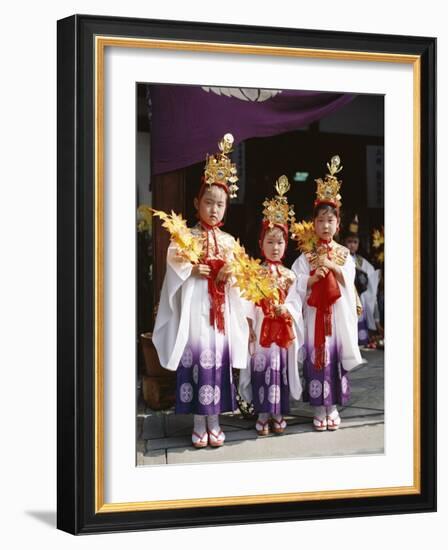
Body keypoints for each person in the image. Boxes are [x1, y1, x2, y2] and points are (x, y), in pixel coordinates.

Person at [152, 134, 249, 448]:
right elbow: (173, 265)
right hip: (196, 309)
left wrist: (231, 272)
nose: (214, 209)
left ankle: (215, 420)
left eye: (220, 204)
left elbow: (242, 277)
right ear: (197, 203)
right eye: (208, 202)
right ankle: (197, 421)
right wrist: (191, 268)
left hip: (219, 313)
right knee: (196, 358)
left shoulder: (231, 241)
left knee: (217, 359)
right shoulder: (186, 237)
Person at [291, 156, 363, 431]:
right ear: (314, 223)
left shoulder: (344, 254)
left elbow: (349, 279)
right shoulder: (306, 256)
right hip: (314, 318)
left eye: (330, 220)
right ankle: (318, 409)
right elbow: (295, 282)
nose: (325, 225)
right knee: (317, 359)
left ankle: (332, 407)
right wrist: (310, 280)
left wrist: (332, 265)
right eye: (320, 220)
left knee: (333, 361)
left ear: (338, 223)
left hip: (335, 318)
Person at [239, 176, 303, 436]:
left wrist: (286, 309)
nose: (275, 247)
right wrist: (251, 324)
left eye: (280, 243)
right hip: (263, 329)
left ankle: (278, 413)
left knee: (280, 371)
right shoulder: (254, 272)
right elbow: (246, 303)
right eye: (270, 242)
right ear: (261, 244)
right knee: (262, 369)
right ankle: (263, 413)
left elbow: (296, 301)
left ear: (286, 245)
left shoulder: (290, 275)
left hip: (282, 330)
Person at [343, 215, 381, 347]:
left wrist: (376, 276)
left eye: (355, 242)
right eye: (349, 242)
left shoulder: (361, 261)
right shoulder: (340, 257)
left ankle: (360, 341)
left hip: (358, 296)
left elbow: (371, 274)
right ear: (344, 243)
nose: (352, 245)